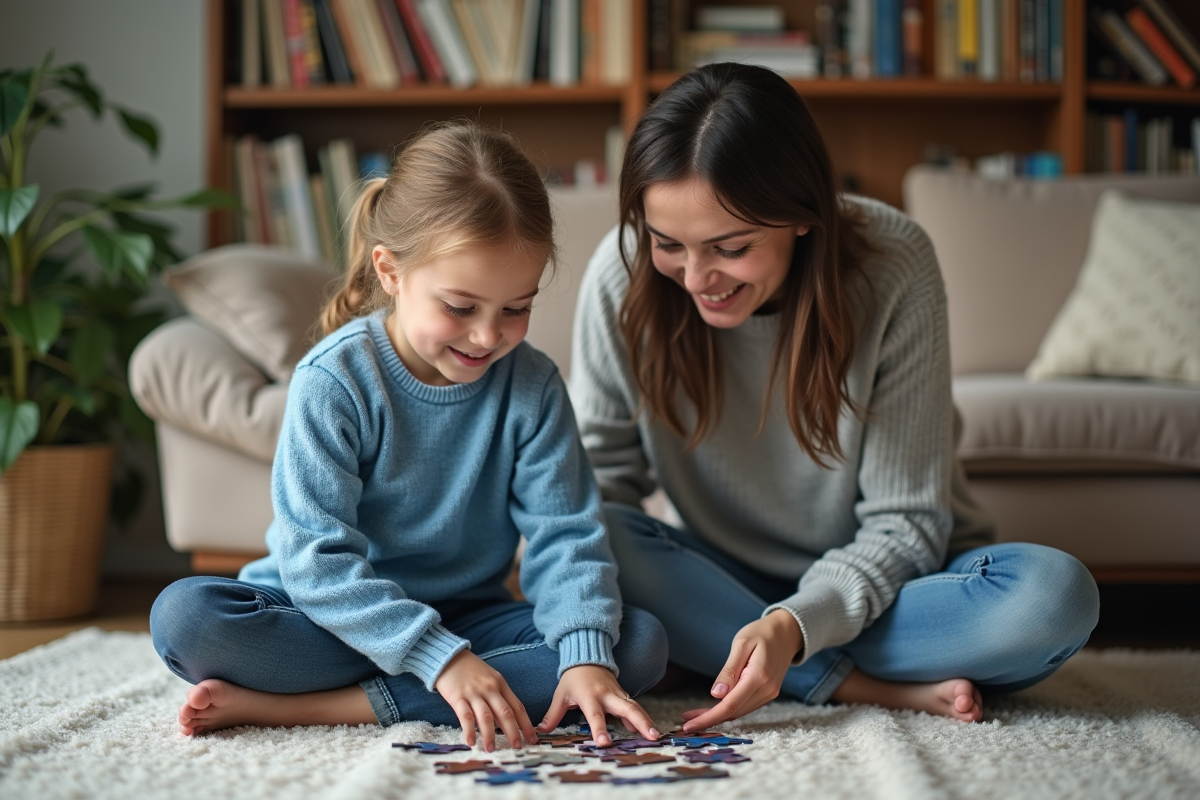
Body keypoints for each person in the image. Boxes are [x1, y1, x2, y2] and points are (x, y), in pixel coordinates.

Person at [570, 63, 1099, 730]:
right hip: (720, 583)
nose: (696, 278)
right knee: (590, 533)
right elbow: (598, 497)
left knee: (1053, 601)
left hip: (893, 590)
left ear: (801, 217)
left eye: (730, 248)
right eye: (667, 243)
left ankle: (733, 654)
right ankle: (851, 684)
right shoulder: (622, 277)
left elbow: (905, 521)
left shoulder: (894, 264)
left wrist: (794, 625)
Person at [150, 122, 667, 751]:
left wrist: (585, 656)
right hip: (329, 617)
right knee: (186, 618)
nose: (486, 337)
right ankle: (432, 684)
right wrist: (441, 659)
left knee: (633, 646)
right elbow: (316, 563)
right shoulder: (333, 380)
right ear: (390, 272)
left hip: (467, 615)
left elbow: (566, 535)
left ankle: (316, 707)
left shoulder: (532, 386)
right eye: (459, 307)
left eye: (516, 308)